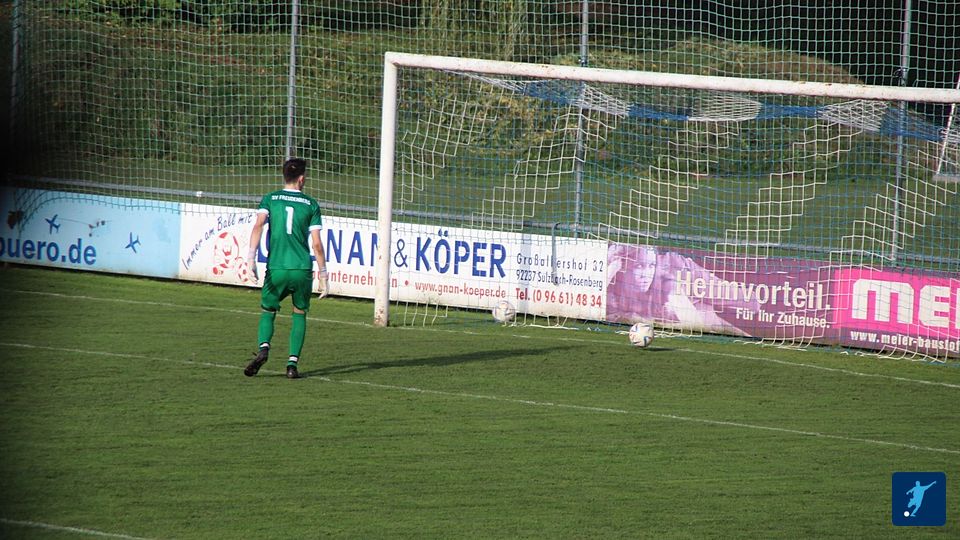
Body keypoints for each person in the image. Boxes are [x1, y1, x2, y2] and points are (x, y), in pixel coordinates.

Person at [243, 157, 329, 379]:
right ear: (301, 179)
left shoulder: (270, 199)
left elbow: (258, 226)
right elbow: (317, 244)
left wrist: (250, 259)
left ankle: (264, 348)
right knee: (299, 313)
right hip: (301, 268)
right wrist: (323, 275)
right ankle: (292, 365)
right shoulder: (311, 204)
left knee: (268, 310)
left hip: (277, 268)